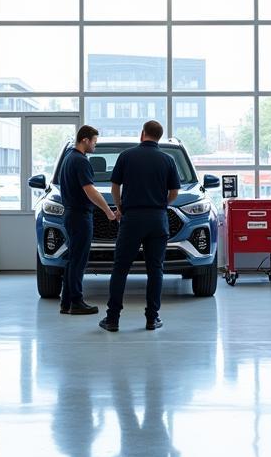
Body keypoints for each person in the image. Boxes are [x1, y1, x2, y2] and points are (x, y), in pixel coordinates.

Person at [99, 120, 180, 333]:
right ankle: (152, 319)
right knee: (155, 270)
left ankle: (113, 319)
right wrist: (161, 204)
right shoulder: (168, 160)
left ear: (142, 134)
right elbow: (174, 193)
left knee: (121, 268)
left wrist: (120, 207)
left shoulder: (126, 156)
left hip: (132, 219)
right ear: (159, 137)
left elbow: (115, 186)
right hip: (157, 220)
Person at [57, 125, 118, 315]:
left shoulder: (68, 159)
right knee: (78, 261)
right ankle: (76, 302)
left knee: (72, 259)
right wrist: (108, 211)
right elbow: (90, 190)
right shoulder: (81, 161)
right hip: (80, 216)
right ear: (85, 140)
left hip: (70, 214)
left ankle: (66, 302)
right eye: (94, 142)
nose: (95, 146)